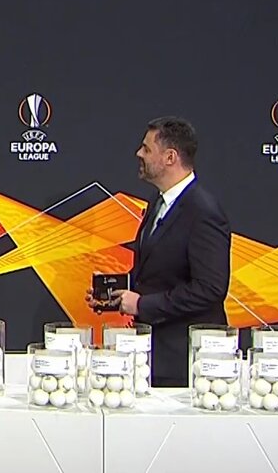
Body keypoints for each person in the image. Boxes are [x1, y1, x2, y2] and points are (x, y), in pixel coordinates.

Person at [90, 117, 231, 387]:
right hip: (153, 355)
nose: (138, 154)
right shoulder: (158, 201)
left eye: (146, 149)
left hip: (184, 363)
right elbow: (156, 272)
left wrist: (142, 305)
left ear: (170, 157)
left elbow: (210, 289)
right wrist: (112, 293)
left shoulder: (204, 212)